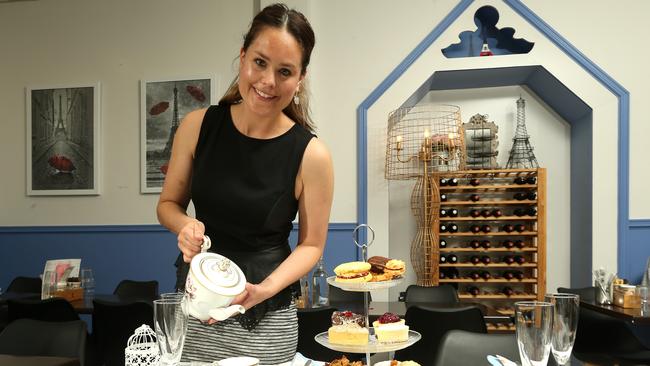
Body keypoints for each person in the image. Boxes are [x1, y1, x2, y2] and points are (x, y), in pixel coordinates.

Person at [156, 3, 333, 364]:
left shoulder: (312, 155)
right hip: (196, 309)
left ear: (300, 78)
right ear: (242, 57)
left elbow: (312, 245)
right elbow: (167, 205)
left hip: (265, 320)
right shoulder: (196, 126)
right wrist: (185, 225)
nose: (268, 81)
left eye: (285, 71)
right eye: (260, 62)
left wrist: (265, 289)